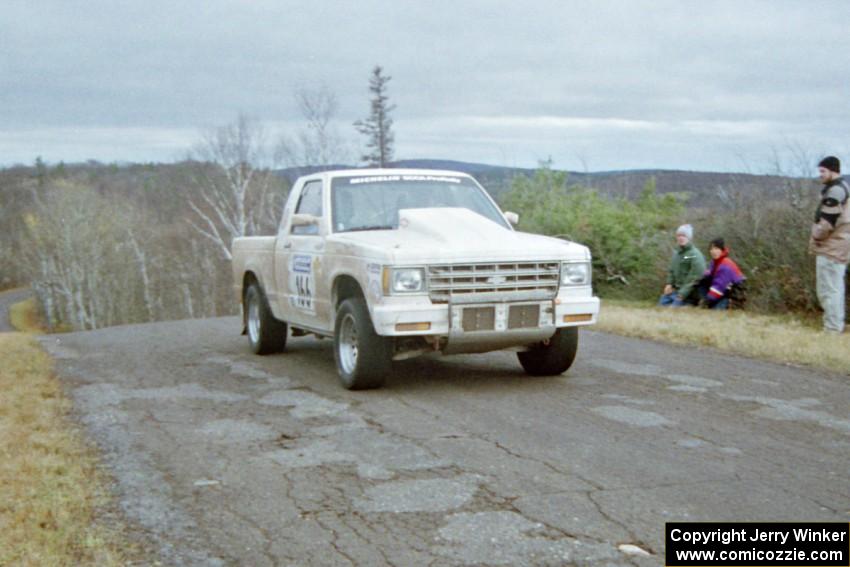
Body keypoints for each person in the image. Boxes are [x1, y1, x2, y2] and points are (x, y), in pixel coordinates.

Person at [809, 156, 850, 333]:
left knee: (828, 290)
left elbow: (827, 221)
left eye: (823, 171)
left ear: (833, 170)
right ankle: (834, 326)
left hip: (831, 246)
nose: (821, 175)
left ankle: (832, 328)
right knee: (835, 288)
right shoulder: (843, 187)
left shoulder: (835, 192)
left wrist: (816, 234)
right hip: (839, 245)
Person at [659, 224, 706, 307]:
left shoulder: (695, 255)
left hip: (689, 295)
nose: (681, 238)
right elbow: (671, 271)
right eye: (679, 235)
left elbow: (695, 278)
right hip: (676, 292)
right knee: (661, 305)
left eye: (684, 235)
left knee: (673, 310)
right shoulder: (676, 254)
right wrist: (669, 284)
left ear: (689, 237)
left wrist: (682, 294)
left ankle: (691, 305)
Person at [698, 238, 745, 309]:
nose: (713, 251)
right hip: (723, 292)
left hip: (733, 294)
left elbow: (719, 287)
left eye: (716, 248)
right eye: (711, 249)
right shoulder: (714, 262)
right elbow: (710, 276)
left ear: (722, 250)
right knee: (701, 281)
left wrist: (706, 301)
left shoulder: (725, 264)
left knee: (714, 311)